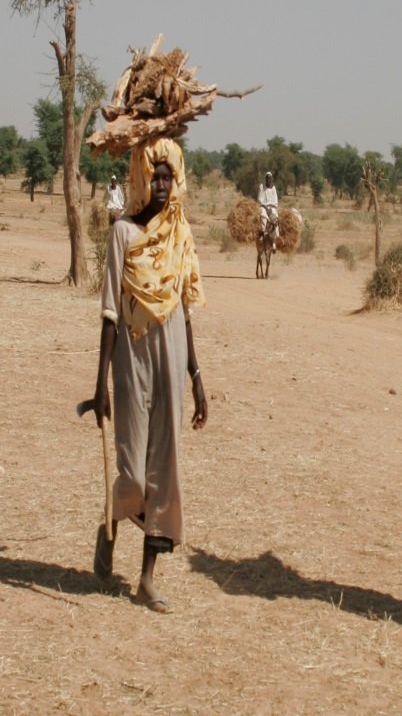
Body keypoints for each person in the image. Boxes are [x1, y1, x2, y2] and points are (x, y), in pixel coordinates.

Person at [92, 137, 208, 614]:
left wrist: (197, 378)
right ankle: (111, 521)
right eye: (153, 176)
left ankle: (146, 579)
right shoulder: (123, 232)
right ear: (141, 179)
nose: (161, 185)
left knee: (165, 471)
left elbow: (185, 305)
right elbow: (109, 313)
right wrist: (99, 382)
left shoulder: (181, 233)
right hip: (132, 358)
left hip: (173, 352)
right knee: (133, 474)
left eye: (168, 176)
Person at [258, 171, 279, 252]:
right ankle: (262, 234)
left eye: (270, 179)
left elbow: (276, 200)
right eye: (267, 178)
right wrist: (266, 207)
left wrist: (272, 207)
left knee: (275, 219)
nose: (268, 180)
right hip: (263, 206)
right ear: (265, 179)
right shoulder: (261, 186)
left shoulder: (273, 188)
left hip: (272, 207)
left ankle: (274, 242)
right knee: (263, 216)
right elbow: (259, 199)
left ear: (271, 179)